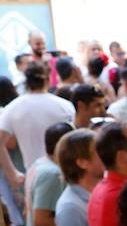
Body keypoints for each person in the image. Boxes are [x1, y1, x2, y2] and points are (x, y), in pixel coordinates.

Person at [0, 62, 74, 193]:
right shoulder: (64, 105)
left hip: (33, 175)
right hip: (65, 172)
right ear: (48, 79)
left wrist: (12, 174)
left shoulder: (13, 108)